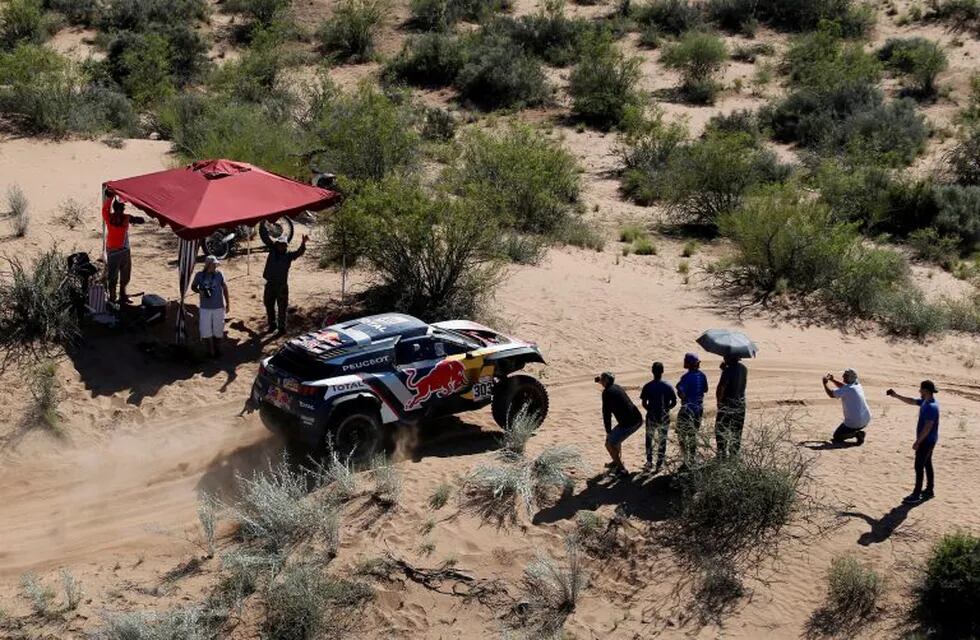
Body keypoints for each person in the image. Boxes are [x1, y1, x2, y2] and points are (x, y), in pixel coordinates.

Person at [886, 380, 940, 504]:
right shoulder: (926, 402)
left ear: (926, 390)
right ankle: (929, 490)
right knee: (927, 464)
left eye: (921, 389)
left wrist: (918, 441)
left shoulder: (931, 406)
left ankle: (916, 494)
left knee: (919, 466)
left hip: (926, 441)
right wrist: (896, 395)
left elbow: (928, 426)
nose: (919, 391)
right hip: (930, 440)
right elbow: (912, 401)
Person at [596, 372, 643, 476]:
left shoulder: (607, 392)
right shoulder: (617, 387)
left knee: (609, 444)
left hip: (629, 423)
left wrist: (608, 431)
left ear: (607, 381)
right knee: (616, 439)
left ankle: (622, 470)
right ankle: (615, 461)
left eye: (602, 379)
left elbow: (606, 414)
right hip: (636, 419)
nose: (601, 381)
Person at [102, 197, 146, 303]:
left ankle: (117, 297)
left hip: (116, 251)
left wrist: (110, 197)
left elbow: (105, 209)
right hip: (120, 251)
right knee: (120, 276)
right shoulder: (125, 218)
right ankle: (117, 297)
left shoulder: (109, 218)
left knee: (117, 276)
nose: (120, 211)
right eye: (121, 208)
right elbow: (141, 220)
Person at [263, 235, 308, 335]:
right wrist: (263, 222)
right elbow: (265, 238)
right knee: (268, 304)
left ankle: (281, 327)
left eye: (283, 245)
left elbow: (299, 252)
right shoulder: (272, 251)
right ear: (277, 244)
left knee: (282, 307)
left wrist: (303, 243)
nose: (281, 246)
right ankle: (272, 324)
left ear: (286, 246)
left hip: (281, 285)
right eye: (280, 244)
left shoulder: (288, 256)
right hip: (270, 283)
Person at [640, 362, 677, 473]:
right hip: (663, 417)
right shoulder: (668, 386)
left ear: (652, 371)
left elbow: (644, 402)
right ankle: (659, 463)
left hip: (651, 416)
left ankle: (649, 461)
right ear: (662, 371)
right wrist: (667, 409)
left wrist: (649, 410)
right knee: (662, 440)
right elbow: (674, 402)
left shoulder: (648, 386)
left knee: (649, 439)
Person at [191, 255, 230, 358]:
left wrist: (228, 303)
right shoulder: (199, 275)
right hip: (205, 307)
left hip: (218, 306)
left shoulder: (219, 274)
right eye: (213, 265)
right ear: (208, 265)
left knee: (218, 329)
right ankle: (211, 351)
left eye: (216, 264)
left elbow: (225, 288)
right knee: (206, 330)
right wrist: (200, 291)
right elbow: (193, 286)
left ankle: (218, 348)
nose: (215, 266)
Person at [676, 353, 709, 467]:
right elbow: (705, 389)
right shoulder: (702, 375)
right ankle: (692, 458)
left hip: (687, 409)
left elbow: (682, 395)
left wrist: (679, 389)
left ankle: (685, 459)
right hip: (699, 409)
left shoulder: (685, 377)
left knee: (681, 434)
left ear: (689, 363)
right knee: (693, 434)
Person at [823, 368, 872, 445]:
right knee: (843, 429)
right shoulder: (857, 385)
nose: (843, 376)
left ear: (850, 378)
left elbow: (831, 394)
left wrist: (825, 383)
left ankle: (857, 434)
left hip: (855, 422)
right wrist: (833, 380)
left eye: (845, 375)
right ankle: (856, 431)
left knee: (837, 436)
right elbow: (844, 387)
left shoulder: (848, 389)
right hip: (866, 419)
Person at [715, 354, 748, 460]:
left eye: (726, 357)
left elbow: (721, 387)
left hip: (727, 405)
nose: (724, 358)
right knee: (736, 432)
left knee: (720, 430)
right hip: (740, 405)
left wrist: (719, 403)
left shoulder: (728, 370)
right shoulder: (744, 368)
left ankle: (722, 454)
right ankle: (734, 456)